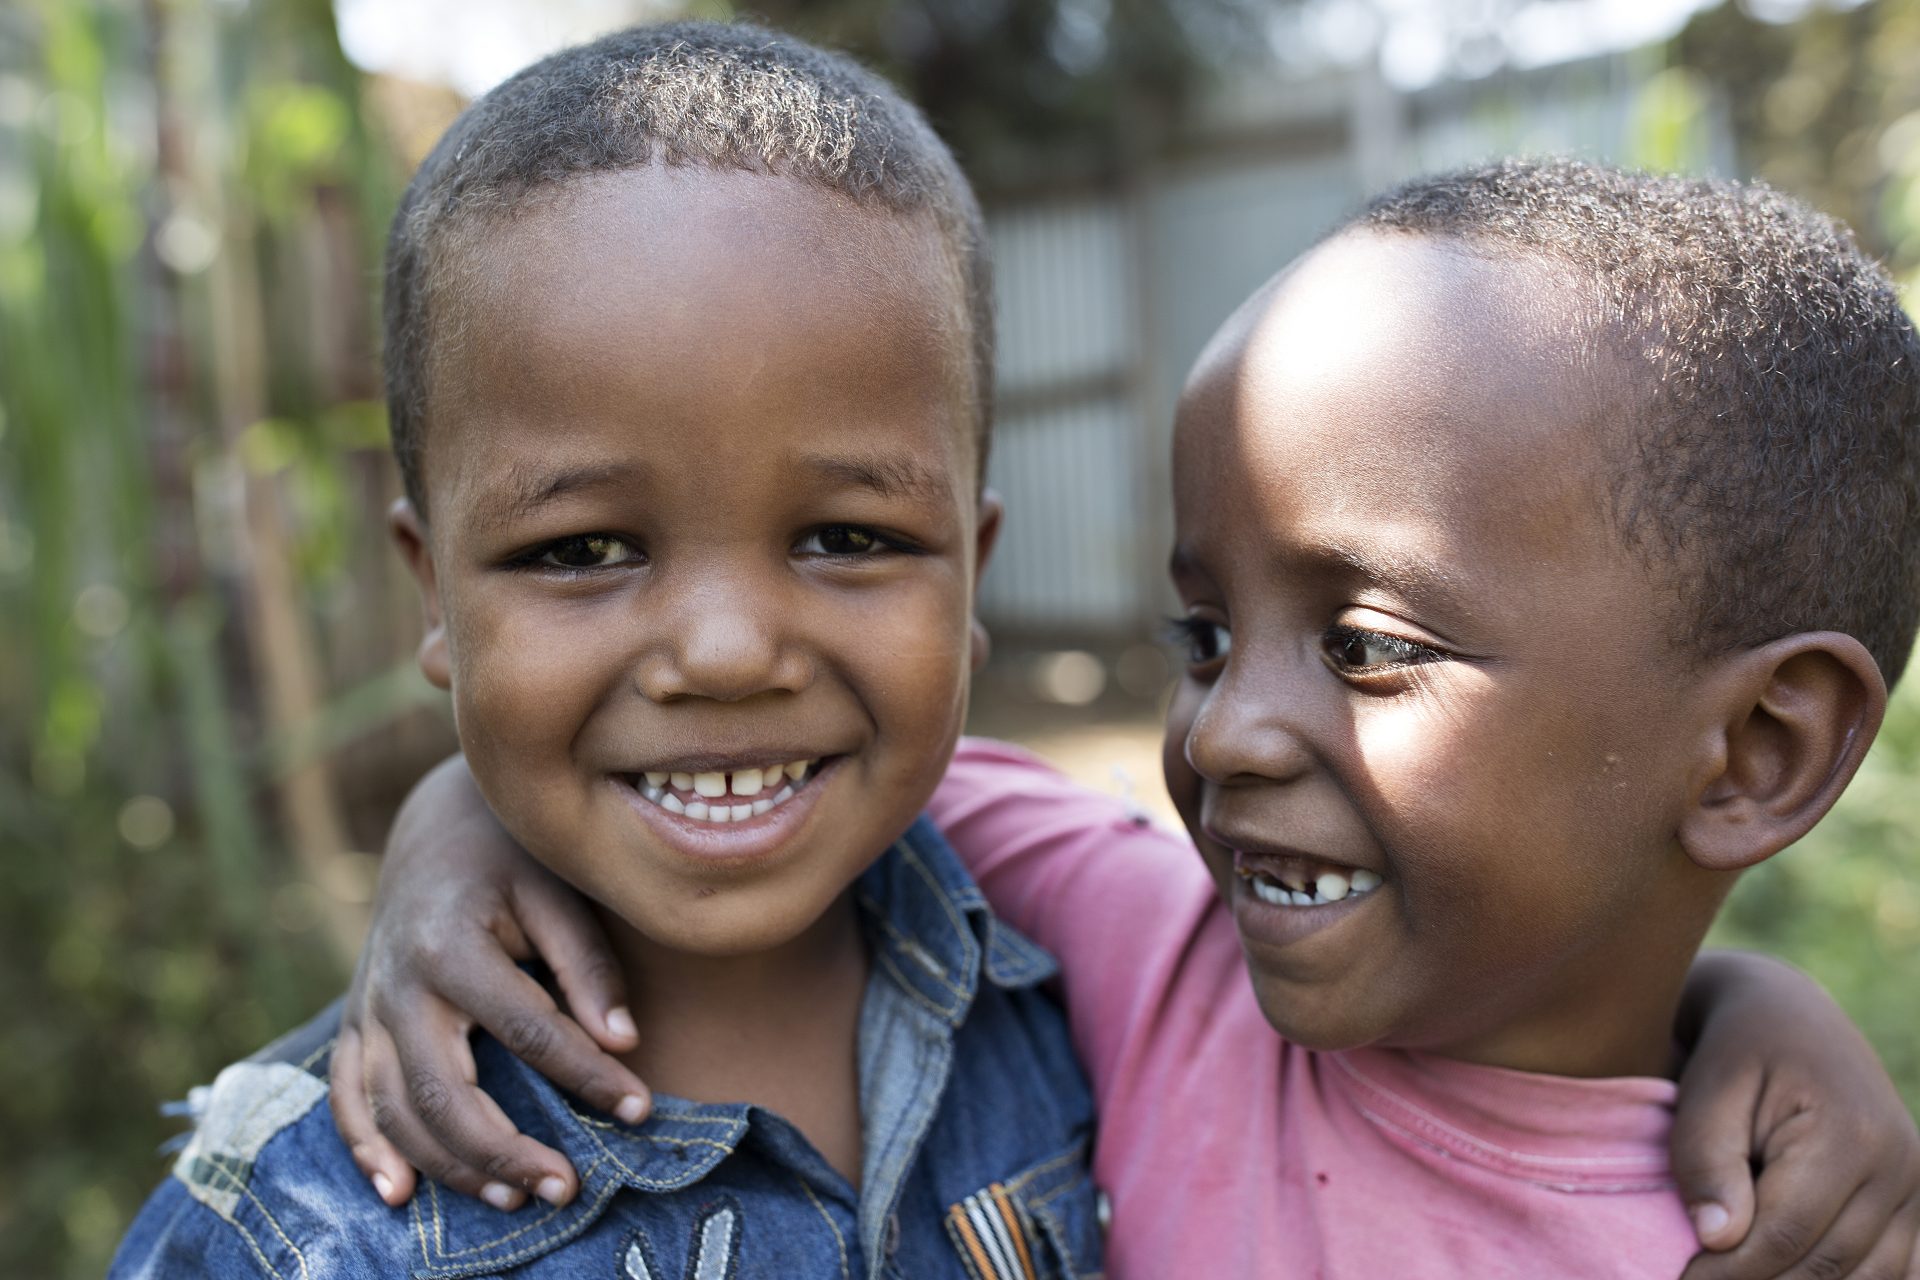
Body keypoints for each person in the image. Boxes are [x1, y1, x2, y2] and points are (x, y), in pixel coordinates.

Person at [331, 159, 1920, 1279]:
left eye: (1365, 646)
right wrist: (453, 823)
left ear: (1763, 751)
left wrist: (1745, 1003)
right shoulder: (1165, 968)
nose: (1225, 736)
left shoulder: (1788, 1245)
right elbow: (806, 747)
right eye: (1208, 636)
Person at [110, 22, 1108, 1280]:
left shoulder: (1078, 997)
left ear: (974, 568)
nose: (730, 650)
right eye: (583, 551)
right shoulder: (306, 1221)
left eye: (847, 535)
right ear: (435, 595)